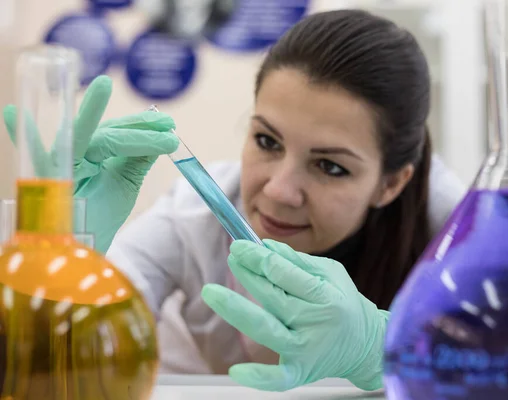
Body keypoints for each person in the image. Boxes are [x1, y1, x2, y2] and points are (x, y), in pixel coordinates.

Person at [3, 9, 465, 392]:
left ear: (392, 183)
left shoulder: (453, 228)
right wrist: (61, 255)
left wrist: (379, 350)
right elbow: (49, 361)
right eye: (267, 140)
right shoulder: (193, 217)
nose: (279, 191)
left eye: (330, 166)